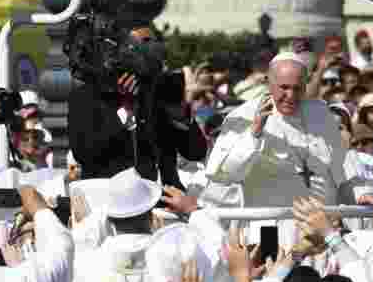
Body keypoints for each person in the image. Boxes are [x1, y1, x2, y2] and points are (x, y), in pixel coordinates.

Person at [67, 27, 209, 186]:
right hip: (111, 198)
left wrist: (182, 116)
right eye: (139, 44)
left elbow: (196, 152)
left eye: (151, 43)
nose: (148, 50)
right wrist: (126, 111)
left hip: (165, 201)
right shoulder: (88, 95)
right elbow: (85, 153)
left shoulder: (161, 89)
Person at [206, 53, 347, 211]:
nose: (291, 96)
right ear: (269, 83)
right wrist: (254, 134)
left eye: (297, 88)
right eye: (284, 87)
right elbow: (221, 174)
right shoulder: (244, 116)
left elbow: (341, 168)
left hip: (318, 223)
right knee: (269, 235)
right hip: (269, 225)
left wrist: (362, 194)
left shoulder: (320, 113)